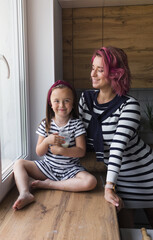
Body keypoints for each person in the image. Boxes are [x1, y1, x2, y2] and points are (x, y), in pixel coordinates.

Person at [79, 46, 153, 228]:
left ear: (115, 74)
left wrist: (109, 186)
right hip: (117, 177)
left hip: (144, 175)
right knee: (125, 230)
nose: (93, 74)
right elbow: (79, 137)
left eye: (100, 69)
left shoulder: (129, 106)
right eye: (93, 67)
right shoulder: (85, 100)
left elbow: (117, 147)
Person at [13, 80, 97, 210]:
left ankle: (51, 185)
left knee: (91, 182)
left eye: (66, 100)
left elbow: (81, 151)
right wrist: (47, 141)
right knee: (19, 163)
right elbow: (39, 152)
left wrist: (62, 151)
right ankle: (25, 193)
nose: (62, 105)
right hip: (47, 168)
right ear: (50, 104)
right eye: (57, 101)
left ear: (73, 103)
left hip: (70, 170)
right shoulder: (45, 124)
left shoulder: (76, 124)